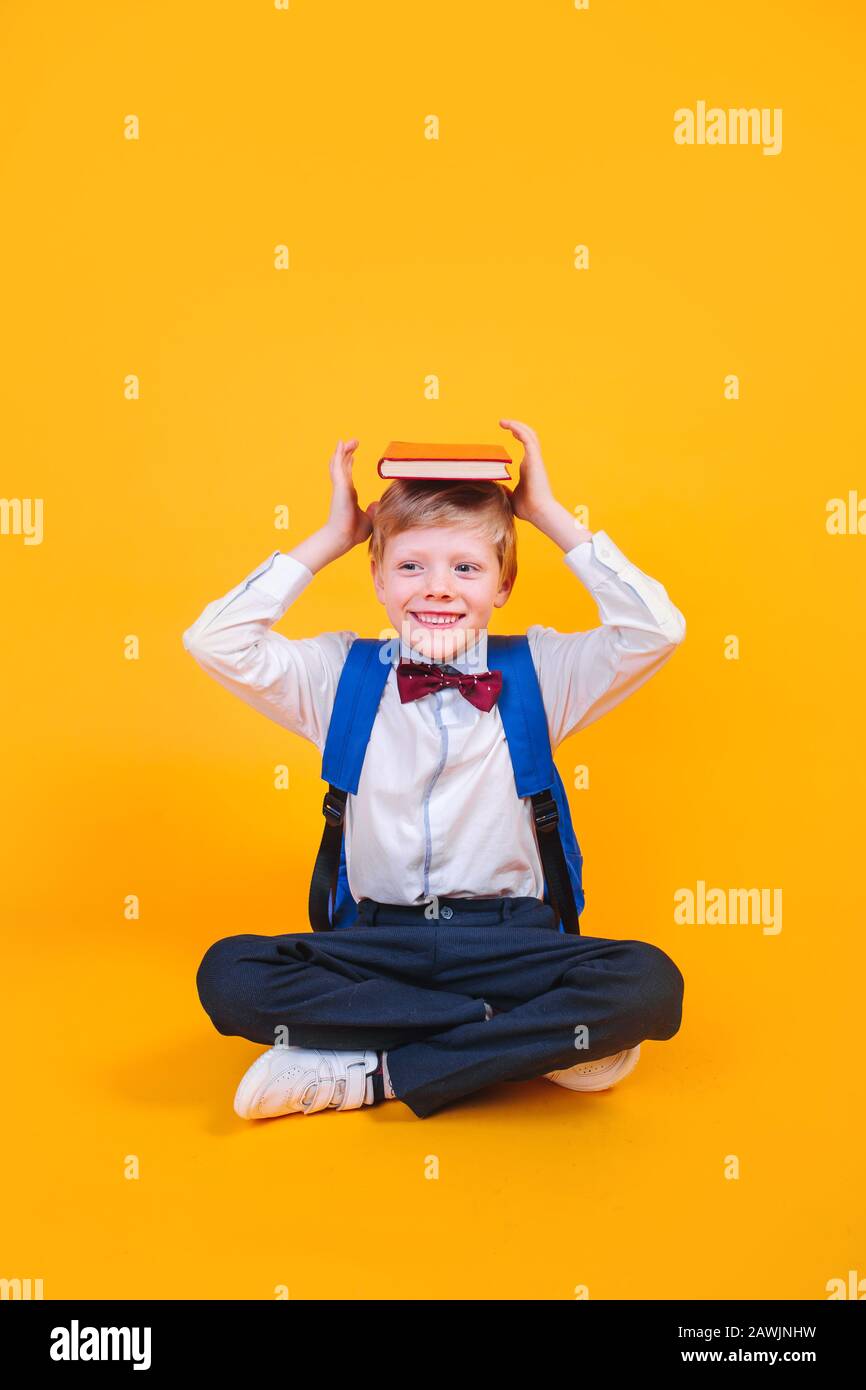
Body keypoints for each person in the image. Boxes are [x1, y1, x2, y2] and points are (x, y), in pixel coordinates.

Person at [183, 419, 686, 1120]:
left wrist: (544, 514)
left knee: (648, 984)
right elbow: (214, 641)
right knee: (229, 976)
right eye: (412, 566)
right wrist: (332, 538)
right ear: (379, 580)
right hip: (375, 946)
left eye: (467, 568)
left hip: (513, 944)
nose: (438, 588)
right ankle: (526, 1037)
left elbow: (657, 629)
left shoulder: (543, 672)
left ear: (504, 583)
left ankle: (374, 1073)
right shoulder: (336, 677)